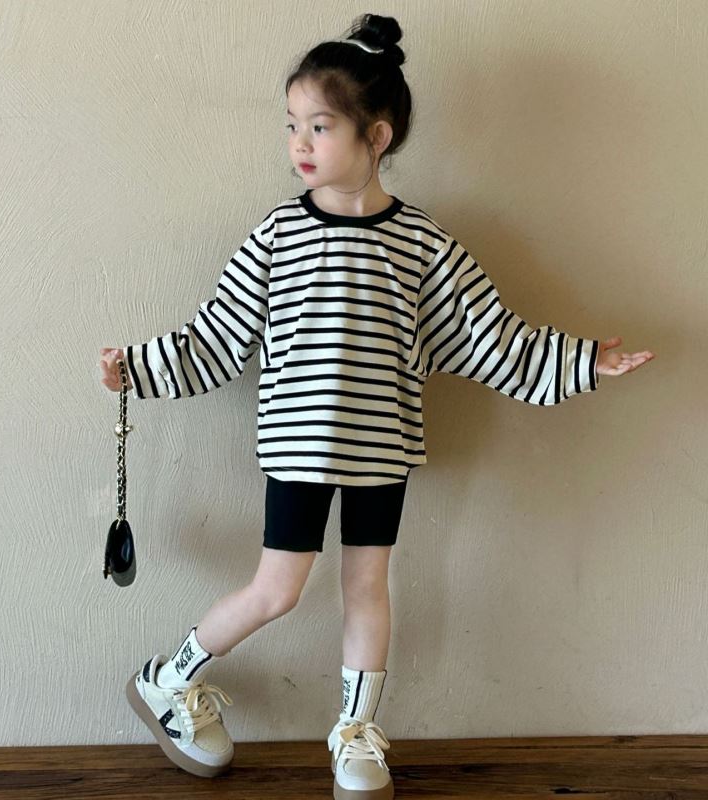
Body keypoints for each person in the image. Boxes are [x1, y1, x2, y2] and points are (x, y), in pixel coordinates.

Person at [99, 12, 655, 800]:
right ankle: (168, 678)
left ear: (377, 136)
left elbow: (490, 335)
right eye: (291, 124)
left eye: (319, 126)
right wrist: (139, 368)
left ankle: (355, 735)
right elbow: (219, 334)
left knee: (368, 589)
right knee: (278, 590)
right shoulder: (277, 235)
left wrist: (583, 360)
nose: (299, 143)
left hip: (382, 449)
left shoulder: (423, 244)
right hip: (299, 447)